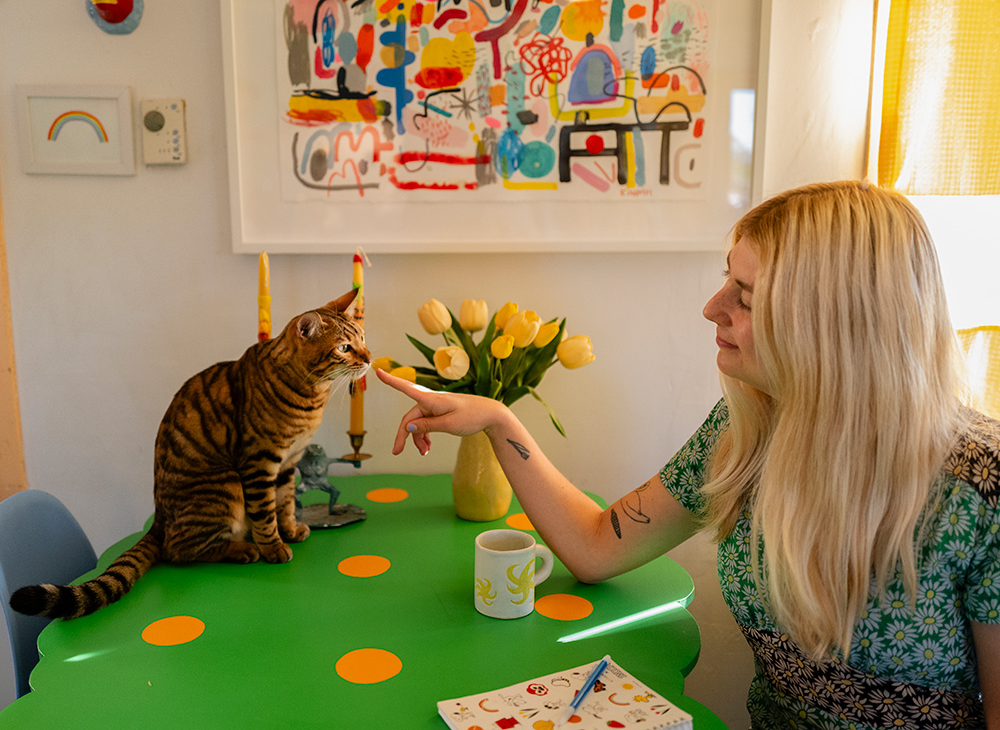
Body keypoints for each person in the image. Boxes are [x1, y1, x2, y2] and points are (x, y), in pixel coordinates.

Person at [376, 181, 999, 729]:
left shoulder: (981, 492)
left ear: (832, 323)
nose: (712, 308)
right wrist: (496, 418)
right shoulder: (746, 428)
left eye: (746, 298)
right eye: (726, 278)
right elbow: (596, 546)